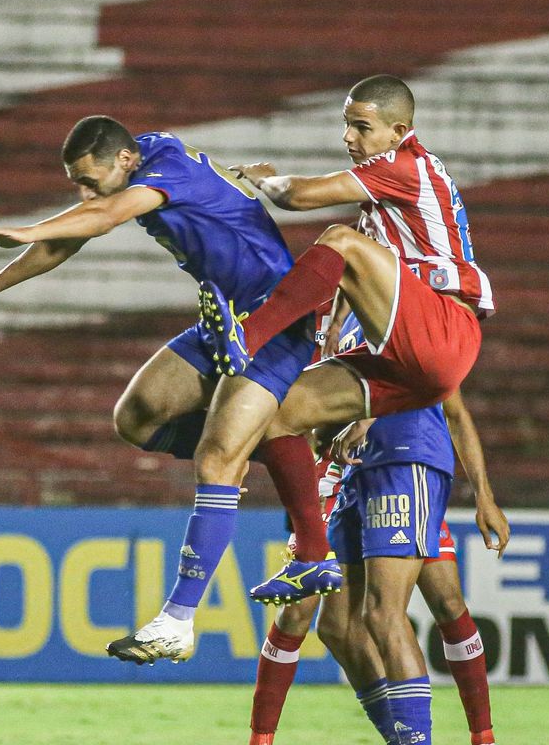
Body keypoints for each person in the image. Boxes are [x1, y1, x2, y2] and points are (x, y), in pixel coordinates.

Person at [100, 73, 495, 663]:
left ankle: (247, 337)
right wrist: (333, 335)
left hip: (443, 328)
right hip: (403, 360)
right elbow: (353, 283)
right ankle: (312, 555)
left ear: (400, 131)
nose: (350, 137)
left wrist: (266, 179)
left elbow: (297, 198)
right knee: (281, 415)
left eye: (361, 126)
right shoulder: (382, 209)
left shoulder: (406, 166)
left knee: (336, 239)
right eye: (346, 125)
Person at [0, 116, 342, 664]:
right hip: (224, 321)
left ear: (125, 162)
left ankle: (177, 621)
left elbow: (102, 216)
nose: (84, 192)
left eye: (89, 180)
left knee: (215, 458)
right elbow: (80, 230)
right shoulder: (147, 154)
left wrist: (28, 228)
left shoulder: (164, 170)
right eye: (76, 183)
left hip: (275, 321)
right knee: (138, 416)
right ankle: (266, 455)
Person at [248, 312, 506, 745]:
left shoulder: (399, 304)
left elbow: (450, 403)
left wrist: (485, 496)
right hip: (355, 473)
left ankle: (478, 735)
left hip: (405, 459)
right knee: (340, 626)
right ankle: (402, 735)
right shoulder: (335, 329)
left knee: (392, 612)